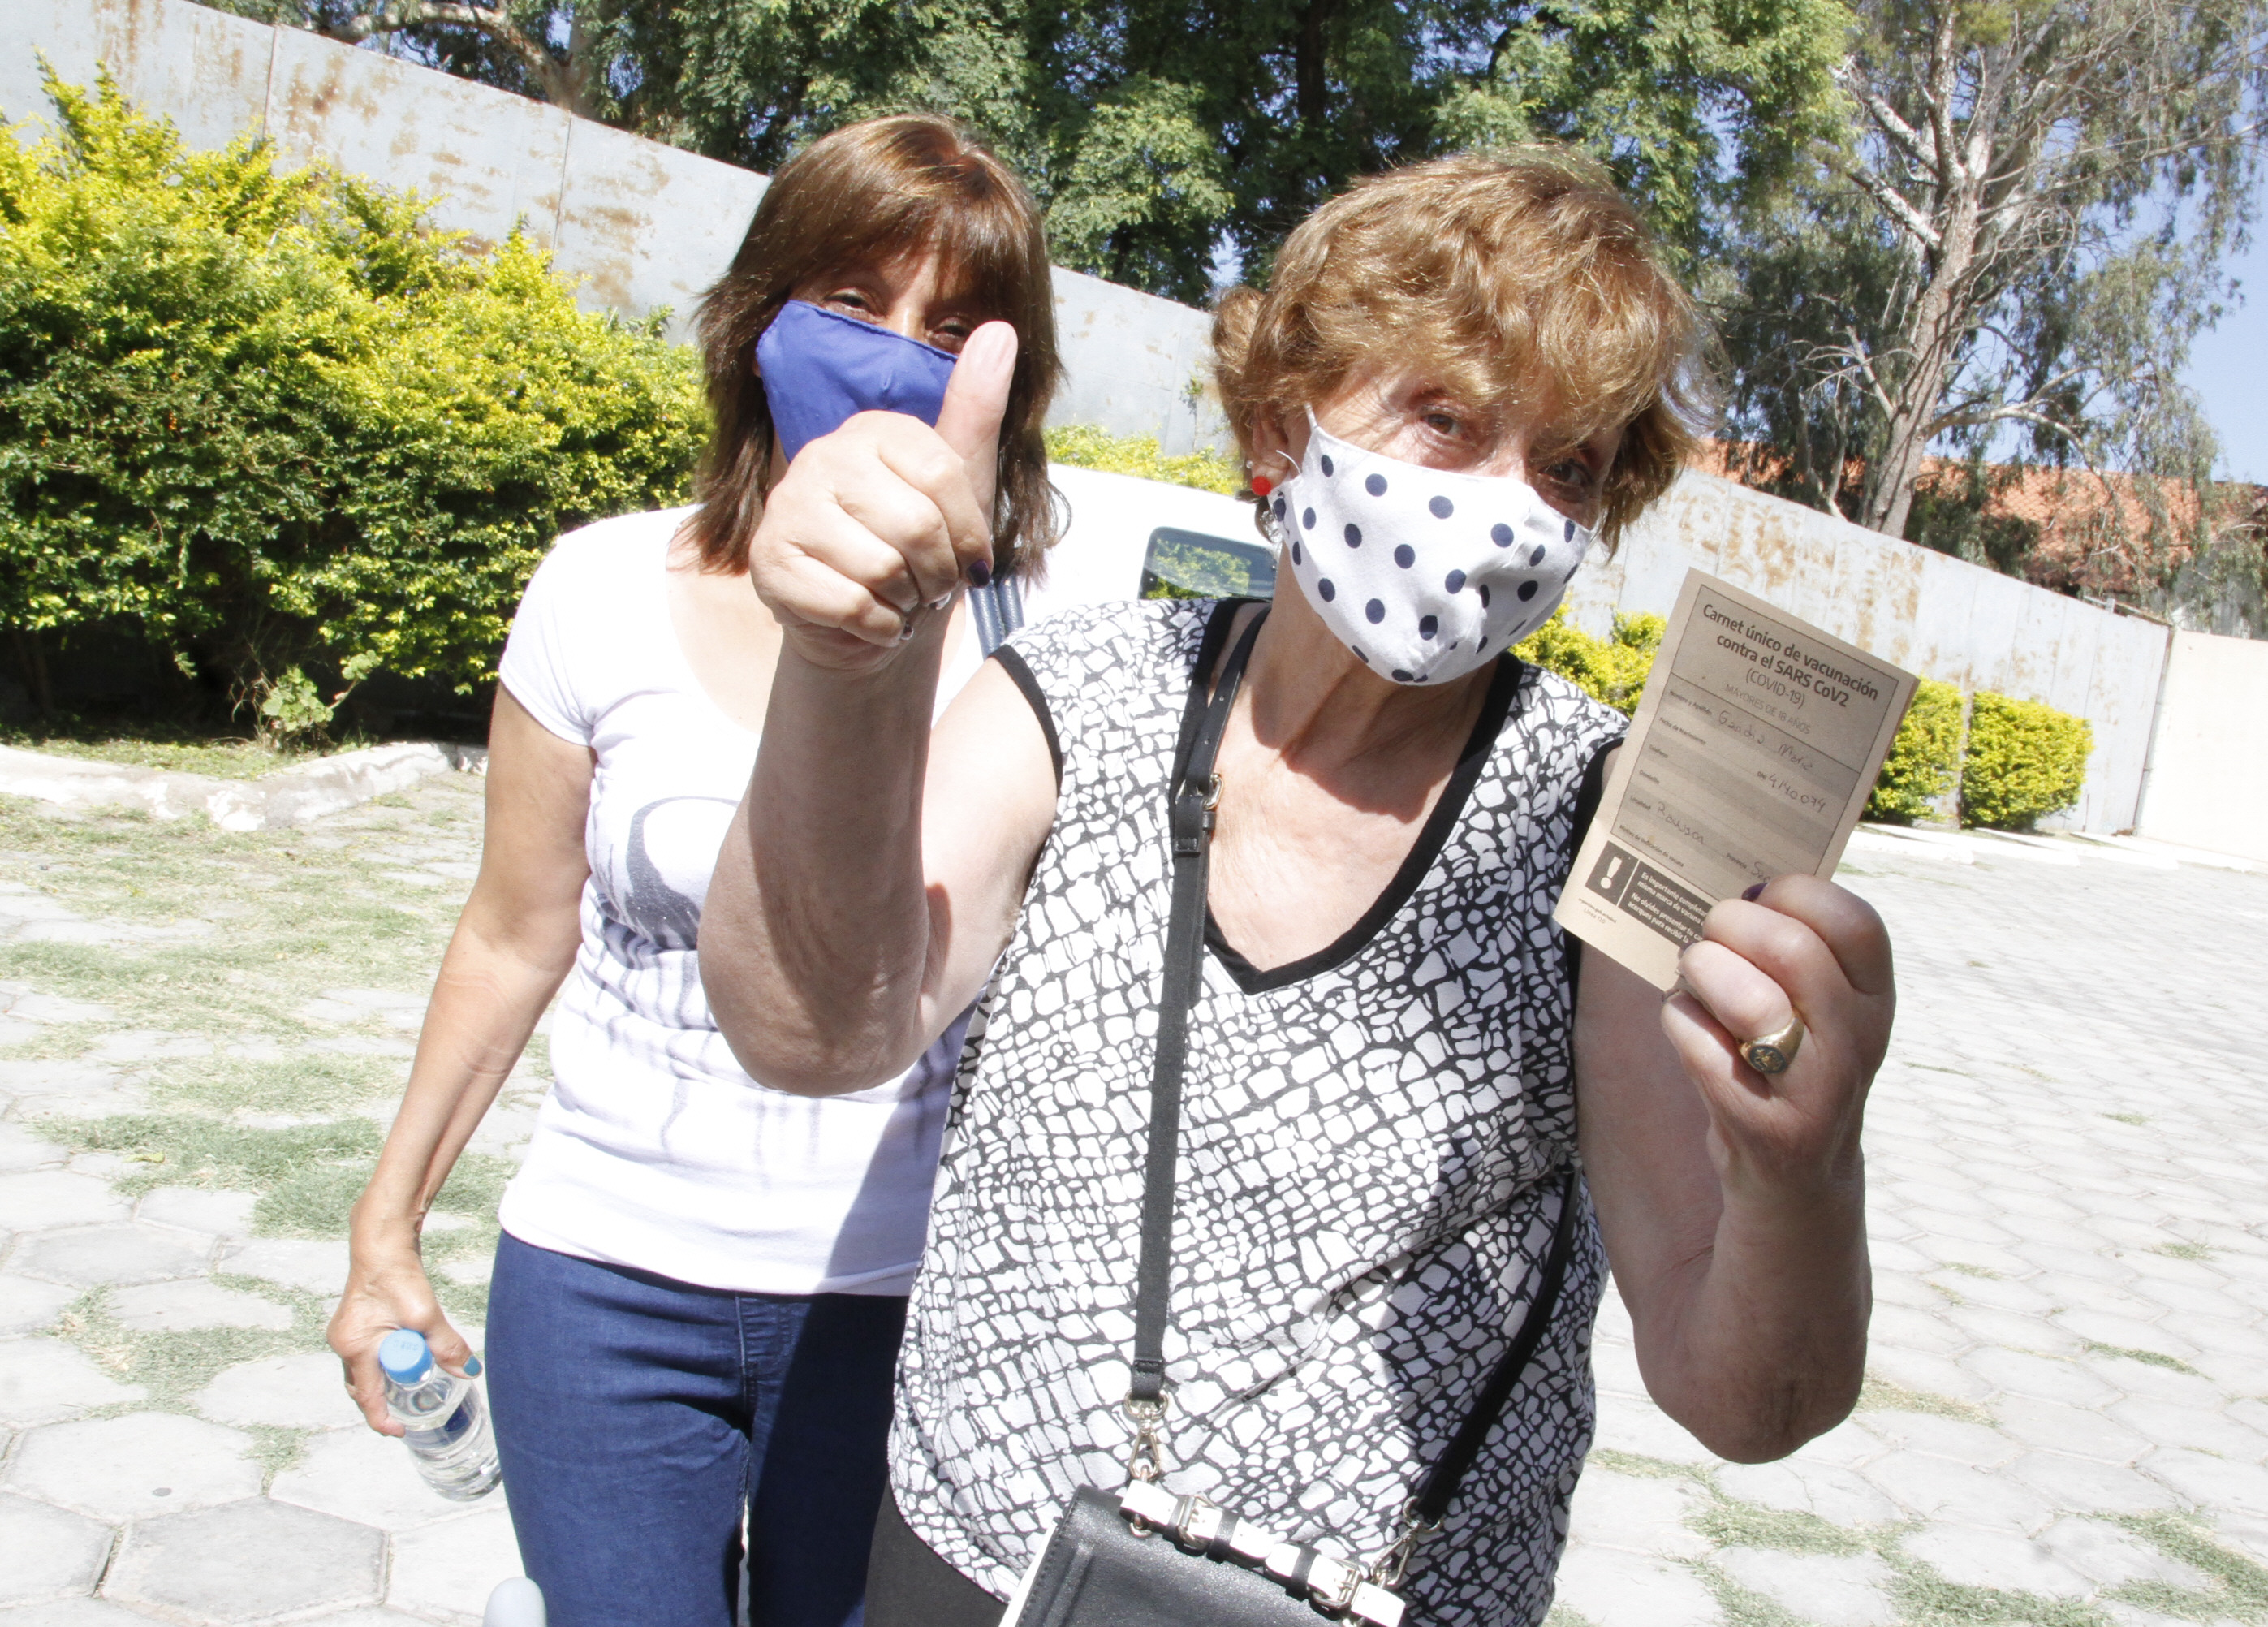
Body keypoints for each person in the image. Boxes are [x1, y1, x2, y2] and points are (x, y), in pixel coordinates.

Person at [700, 147, 1895, 1627]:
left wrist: (1799, 1167)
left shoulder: (1602, 823)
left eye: (1568, 464)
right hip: (975, 1568)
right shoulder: (1080, 696)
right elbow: (815, 1030)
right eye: (1444, 418)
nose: (1508, 509)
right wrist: (842, 669)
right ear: (1282, 421)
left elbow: (1746, 1400)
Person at [325, 114, 1066, 1627]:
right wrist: (384, 1230)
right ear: (758, 316)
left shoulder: (1043, 637)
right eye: (852, 301)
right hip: (603, 1285)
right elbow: (513, 934)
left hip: (904, 1308)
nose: (897, 353)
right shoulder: (600, 584)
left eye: (951, 328)